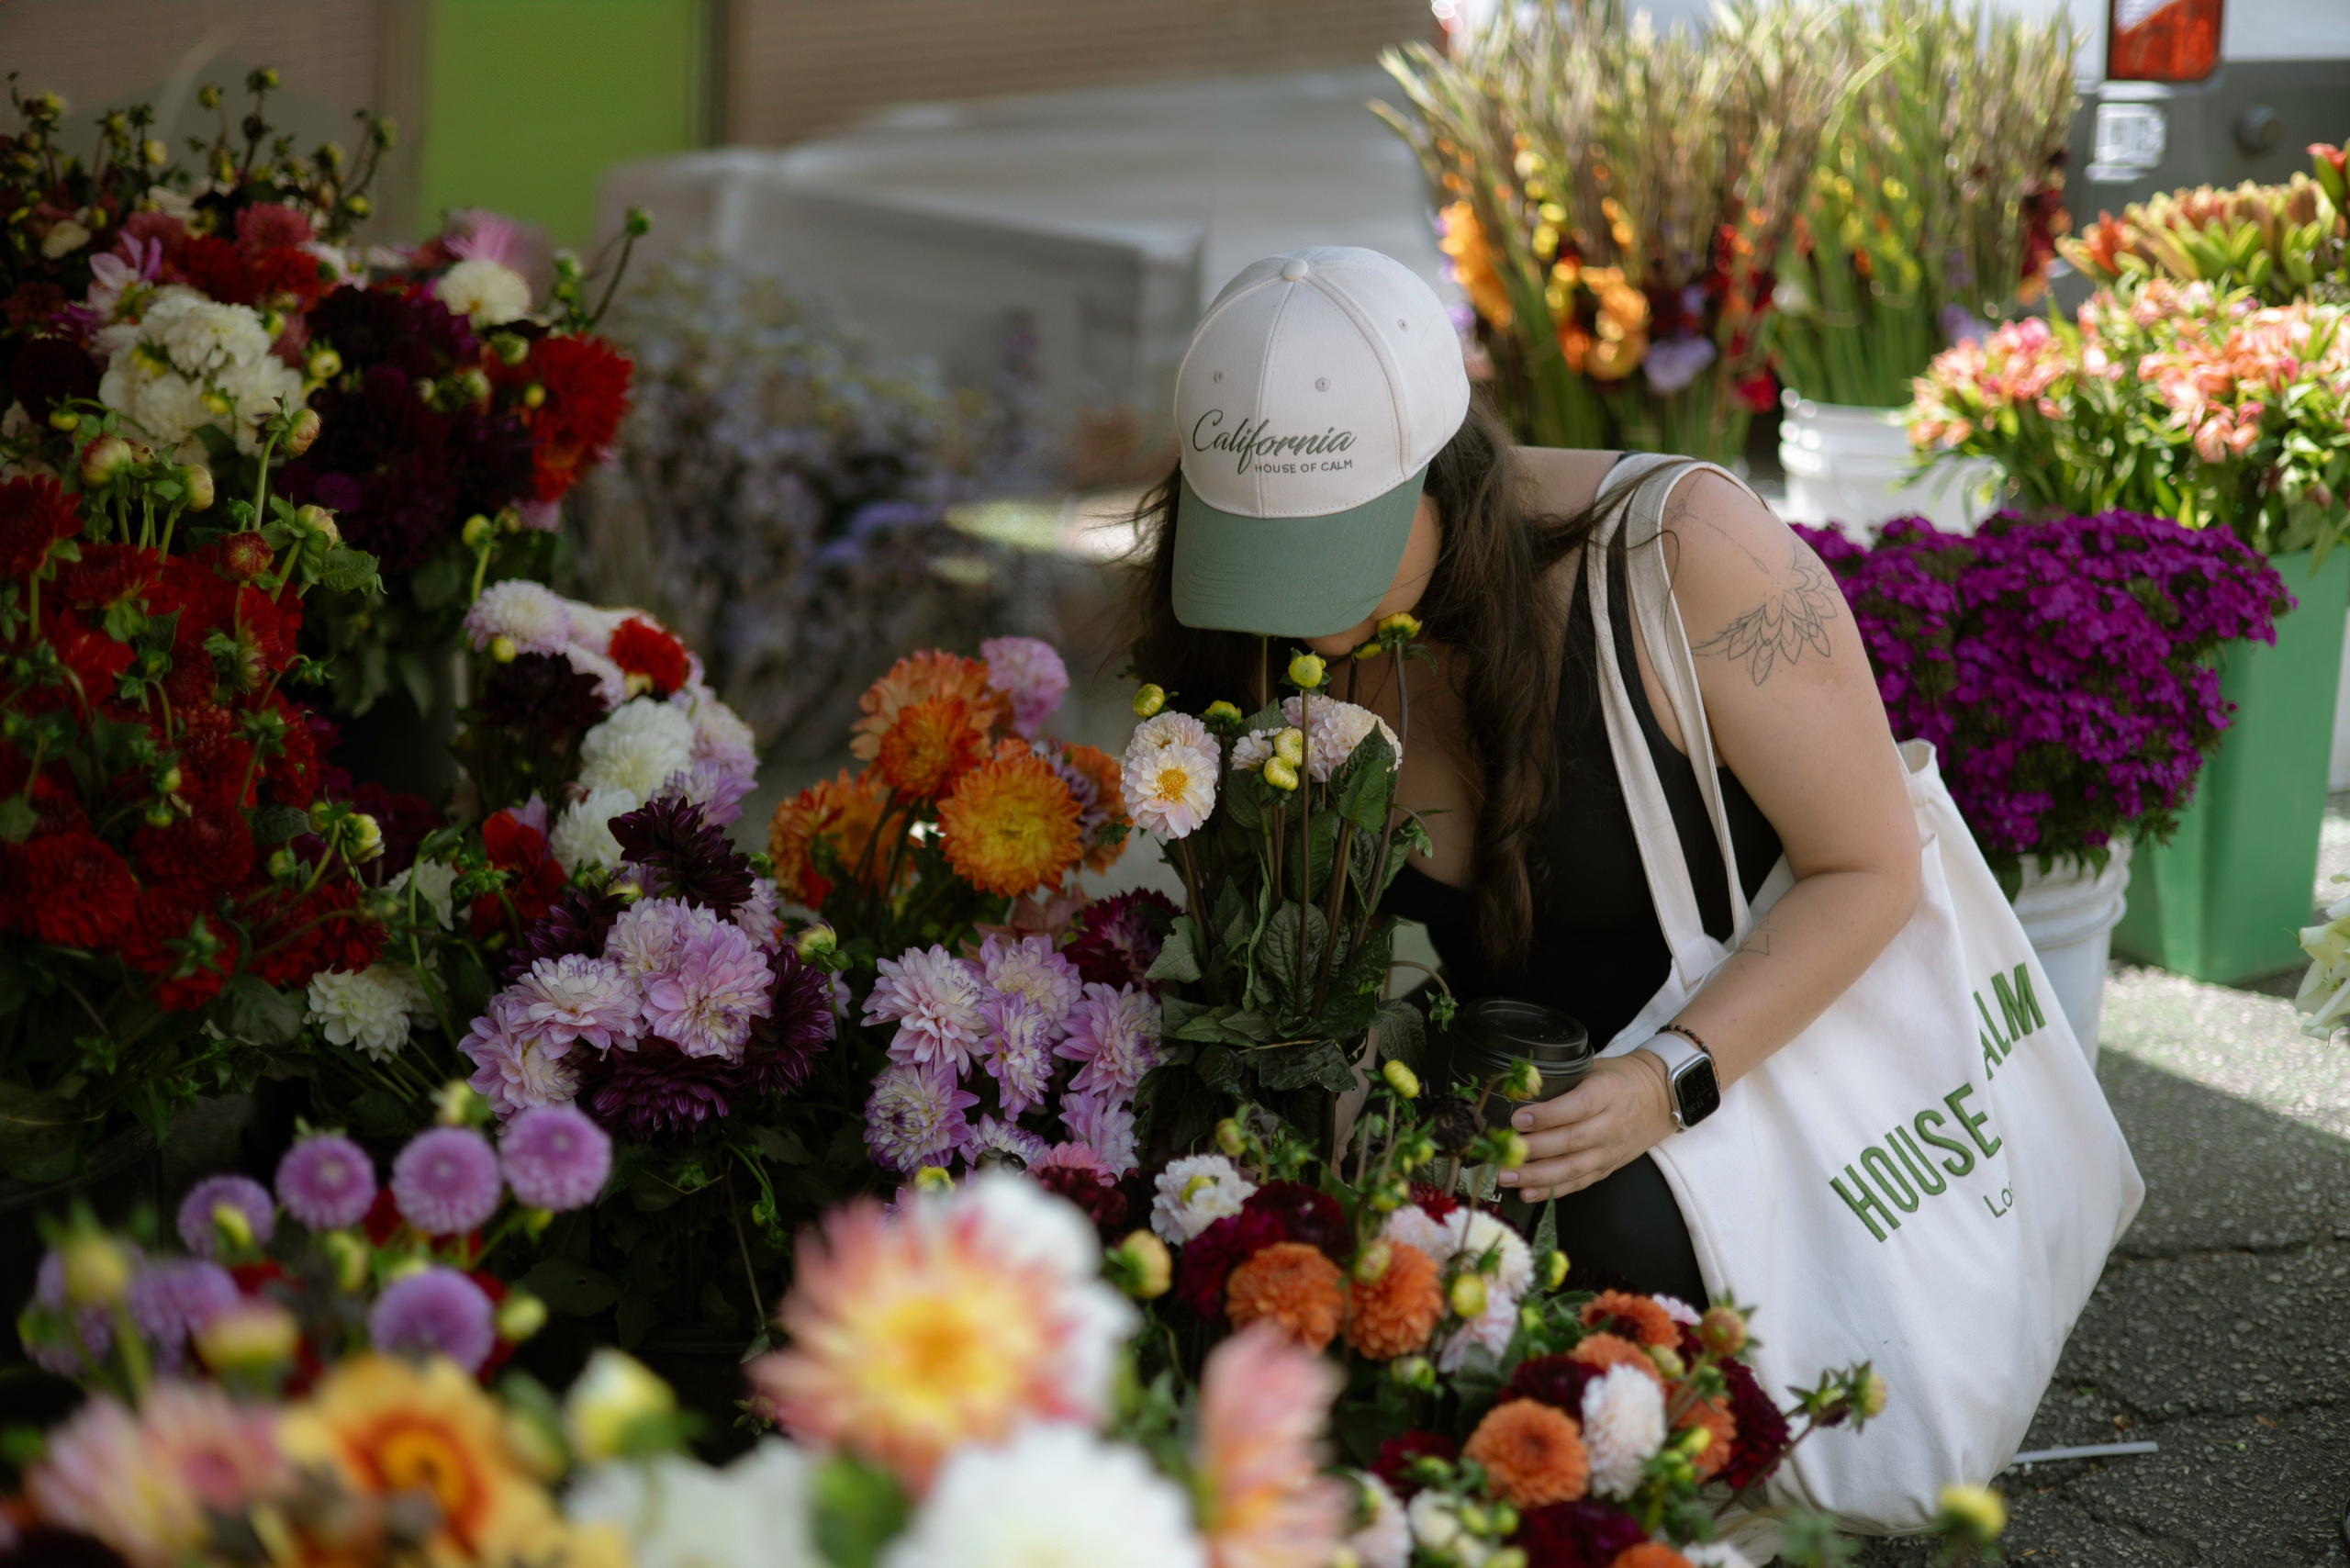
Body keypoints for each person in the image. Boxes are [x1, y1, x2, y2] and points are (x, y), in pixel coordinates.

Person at [1125, 246, 1920, 1305]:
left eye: (1332, 551)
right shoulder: (1240, 639)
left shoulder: (1681, 553)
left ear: (1443, 467)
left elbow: (1869, 868)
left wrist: (1661, 1080)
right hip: (1502, 1129)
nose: (1296, 615)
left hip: (1755, 1086)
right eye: (1257, 552)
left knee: (1615, 1225)